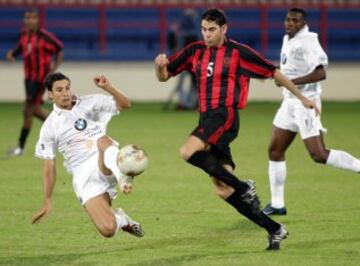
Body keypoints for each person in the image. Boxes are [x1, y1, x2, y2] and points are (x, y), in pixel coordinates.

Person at [154, 8, 318, 250]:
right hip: (206, 119)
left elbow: (274, 73)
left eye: (212, 29)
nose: (207, 34)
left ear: (224, 29)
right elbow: (165, 76)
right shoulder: (195, 51)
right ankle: (274, 229)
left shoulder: (238, 53)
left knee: (187, 151)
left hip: (225, 115)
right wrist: (160, 66)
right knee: (223, 189)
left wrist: (301, 98)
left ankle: (244, 186)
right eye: (204, 29)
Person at [262, 8, 360, 216]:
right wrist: (275, 72)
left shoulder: (308, 41)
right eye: (288, 19)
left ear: (303, 23)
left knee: (319, 155)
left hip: (306, 104)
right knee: (275, 150)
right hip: (289, 103)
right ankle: (277, 204)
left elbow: (321, 72)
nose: (290, 23)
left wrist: (290, 82)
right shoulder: (287, 39)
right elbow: (289, 65)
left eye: (295, 21)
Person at [31, 72, 144, 239]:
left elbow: (125, 104)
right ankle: (122, 219)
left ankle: (122, 177)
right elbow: (49, 166)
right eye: (60, 90)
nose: (65, 93)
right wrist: (47, 199)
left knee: (103, 141)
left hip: (106, 160)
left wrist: (108, 87)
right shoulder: (49, 127)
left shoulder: (90, 102)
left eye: (68, 88)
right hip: (84, 176)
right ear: (50, 94)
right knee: (108, 229)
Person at [6, 8, 63, 157]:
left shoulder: (45, 36)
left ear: (38, 20)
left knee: (28, 110)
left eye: (33, 18)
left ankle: (21, 146)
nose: (30, 21)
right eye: (27, 18)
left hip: (40, 78)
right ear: (25, 20)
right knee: (34, 110)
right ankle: (61, 124)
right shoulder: (23, 35)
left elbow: (59, 49)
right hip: (28, 77)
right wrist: (13, 54)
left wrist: (53, 69)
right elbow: (21, 49)